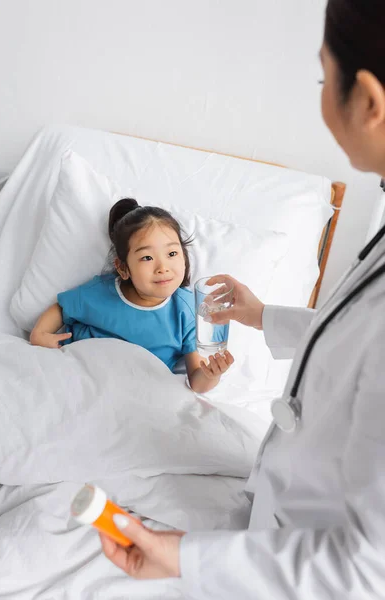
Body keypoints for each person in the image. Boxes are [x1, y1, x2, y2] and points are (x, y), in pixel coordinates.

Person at [98, 0, 385, 597]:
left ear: (369, 101)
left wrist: (186, 557)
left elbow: (363, 569)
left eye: (322, 76)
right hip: (272, 518)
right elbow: (360, 339)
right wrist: (260, 316)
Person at [30, 198, 234, 393]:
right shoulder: (101, 292)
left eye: (172, 254)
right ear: (123, 268)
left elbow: (197, 382)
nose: (162, 268)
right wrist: (39, 334)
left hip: (135, 391)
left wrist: (210, 375)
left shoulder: (187, 311)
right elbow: (62, 308)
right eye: (147, 257)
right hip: (79, 374)